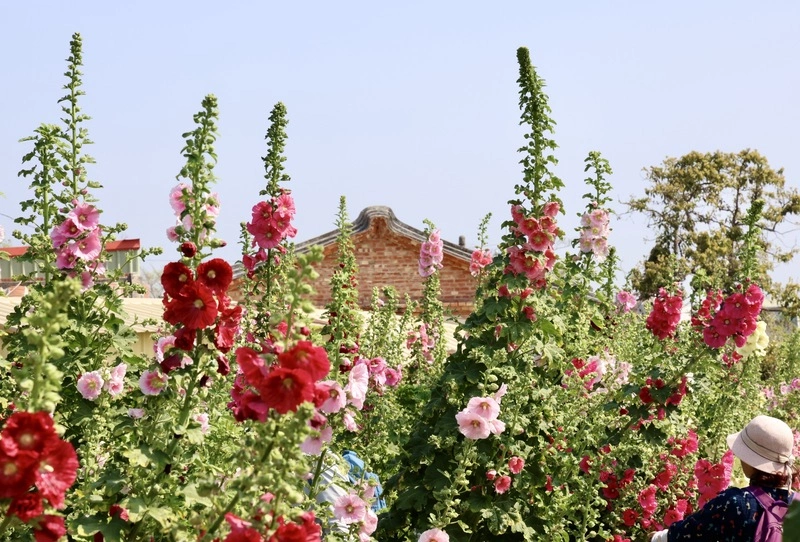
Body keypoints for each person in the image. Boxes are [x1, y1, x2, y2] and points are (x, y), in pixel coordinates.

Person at [650, 415, 797, 541]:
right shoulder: (797, 505)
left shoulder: (736, 502)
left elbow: (687, 534)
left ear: (751, 459)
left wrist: (655, 537)